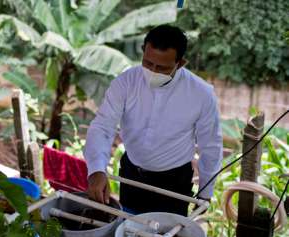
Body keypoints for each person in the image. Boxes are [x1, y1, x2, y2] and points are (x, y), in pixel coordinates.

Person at [84, 25, 223, 216]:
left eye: (162, 68)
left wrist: (205, 193)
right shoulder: (125, 82)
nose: (153, 71)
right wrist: (96, 169)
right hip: (132, 174)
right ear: (143, 52)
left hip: (174, 182)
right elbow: (103, 127)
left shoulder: (201, 94)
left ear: (180, 63)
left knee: (168, 233)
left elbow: (211, 146)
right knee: (129, 228)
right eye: (148, 63)